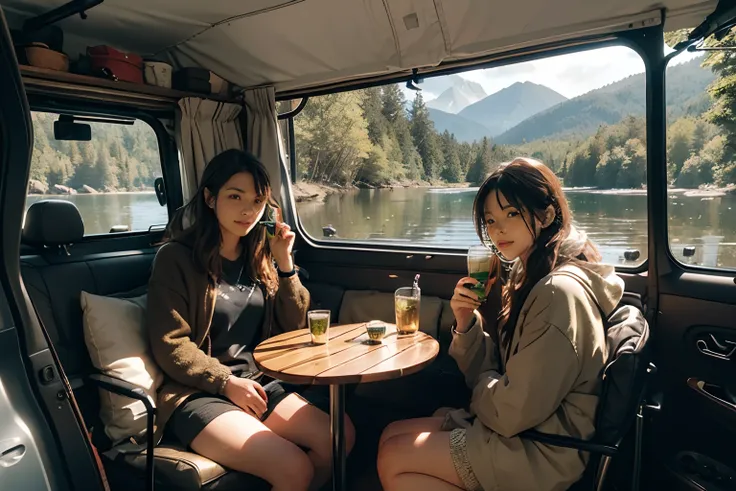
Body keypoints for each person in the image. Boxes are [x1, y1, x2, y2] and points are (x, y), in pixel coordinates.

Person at [376, 157, 624, 491]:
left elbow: (512, 410)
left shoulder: (558, 293)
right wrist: (465, 323)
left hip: (544, 451)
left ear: (548, 215)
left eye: (511, 214)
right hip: (529, 428)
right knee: (392, 434)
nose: (498, 229)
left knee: (394, 458)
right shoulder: (531, 273)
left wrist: (483, 386)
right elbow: (512, 378)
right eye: (491, 220)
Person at [146, 149, 355, 491]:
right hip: (198, 392)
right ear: (210, 199)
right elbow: (171, 343)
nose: (248, 210)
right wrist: (226, 382)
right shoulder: (176, 259)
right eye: (235, 196)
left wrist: (285, 264)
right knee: (293, 468)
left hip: (258, 381)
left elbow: (295, 325)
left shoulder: (258, 255)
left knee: (340, 435)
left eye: (257, 200)